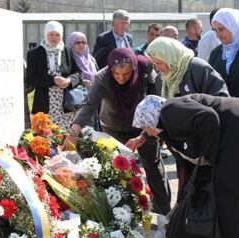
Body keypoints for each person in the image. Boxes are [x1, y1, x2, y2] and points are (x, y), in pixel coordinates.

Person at [133, 94, 239, 238]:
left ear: (151, 117)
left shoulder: (169, 110)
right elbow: (189, 167)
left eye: (145, 127)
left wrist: (210, 158)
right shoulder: (170, 125)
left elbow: (208, 117)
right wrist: (181, 201)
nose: (147, 132)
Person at [62, 48, 171, 215]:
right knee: (117, 171)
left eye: (126, 75)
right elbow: (89, 105)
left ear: (134, 69)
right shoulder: (102, 77)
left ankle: (164, 212)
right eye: (117, 74)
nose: (121, 78)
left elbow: (156, 101)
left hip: (145, 125)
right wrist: (73, 134)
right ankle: (124, 214)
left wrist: (143, 136)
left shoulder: (145, 68)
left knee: (152, 166)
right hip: (114, 127)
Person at [126, 36, 229, 199]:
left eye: (159, 63)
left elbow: (221, 102)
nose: (158, 69)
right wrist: (142, 137)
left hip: (209, 146)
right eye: (155, 64)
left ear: (170, 56)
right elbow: (160, 114)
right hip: (185, 148)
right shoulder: (167, 78)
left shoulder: (197, 68)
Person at [27, 21, 82, 130]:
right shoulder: (34, 53)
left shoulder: (67, 51)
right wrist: (53, 80)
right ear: (46, 34)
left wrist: (69, 80)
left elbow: (78, 73)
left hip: (66, 106)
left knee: (65, 137)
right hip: (44, 104)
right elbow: (31, 78)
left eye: (57, 35)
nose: (54, 38)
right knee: (46, 138)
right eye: (51, 34)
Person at [67, 31, 100, 129]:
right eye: (77, 43)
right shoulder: (69, 59)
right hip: (76, 102)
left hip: (92, 98)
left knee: (92, 130)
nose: (81, 45)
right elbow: (68, 78)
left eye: (83, 42)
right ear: (71, 44)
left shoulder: (91, 59)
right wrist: (82, 82)